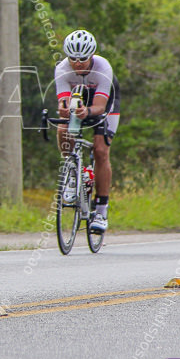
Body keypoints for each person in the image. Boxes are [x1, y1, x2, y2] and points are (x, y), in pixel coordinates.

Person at [54, 29, 120, 234]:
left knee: (101, 150)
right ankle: (73, 173)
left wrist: (87, 112)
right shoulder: (62, 69)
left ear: (91, 55)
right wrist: (65, 110)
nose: (78, 62)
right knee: (63, 126)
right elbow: (63, 102)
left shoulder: (103, 67)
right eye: (72, 58)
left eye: (83, 58)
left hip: (105, 102)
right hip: (78, 98)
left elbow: (100, 106)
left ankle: (101, 209)